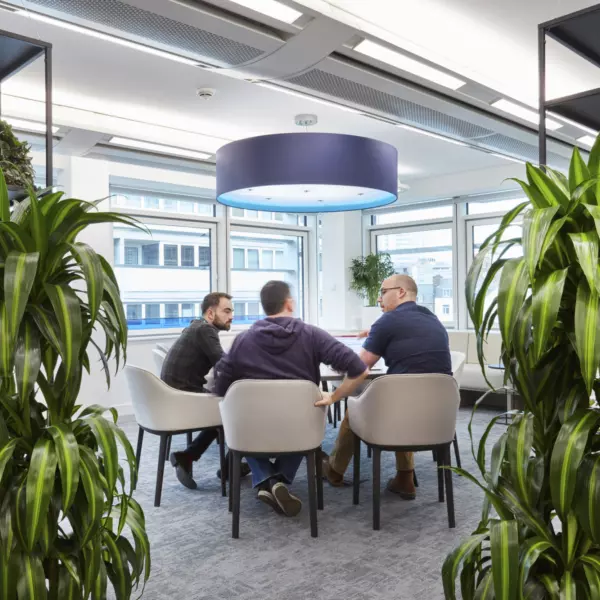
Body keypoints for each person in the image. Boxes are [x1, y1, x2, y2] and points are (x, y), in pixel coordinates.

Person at [214, 280, 369, 517]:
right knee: (307, 415)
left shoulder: (243, 341)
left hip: (253, 430)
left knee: (240, 420)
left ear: (265, 306)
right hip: (300, 429)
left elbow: (220, 387)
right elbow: (359, 369)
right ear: (289, 303)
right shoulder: (312, 335)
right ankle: (278, 481)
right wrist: (335, 396)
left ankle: (267, 480)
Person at [323, 274, 452, 500]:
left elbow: (359, 368)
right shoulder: (433, 319)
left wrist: (335, 396)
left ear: (401, 292)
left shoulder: (388, 321)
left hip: (399, 415)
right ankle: (405, 477)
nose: (379, 299)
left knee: (355, 407)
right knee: (403, 395)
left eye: (383, 292)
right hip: (439, 416)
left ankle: (334, 470)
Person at [162, 292, 249, 489]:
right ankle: (229, 467)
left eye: (232, 311)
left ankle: (191, 457)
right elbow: (224, 365)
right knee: (236, 410)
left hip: (172, 394)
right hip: (182, 396)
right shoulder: (205, 330)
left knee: (226, 407)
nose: (231, 316)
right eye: (226, 311)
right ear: (210, 313)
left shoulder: (197, 327)